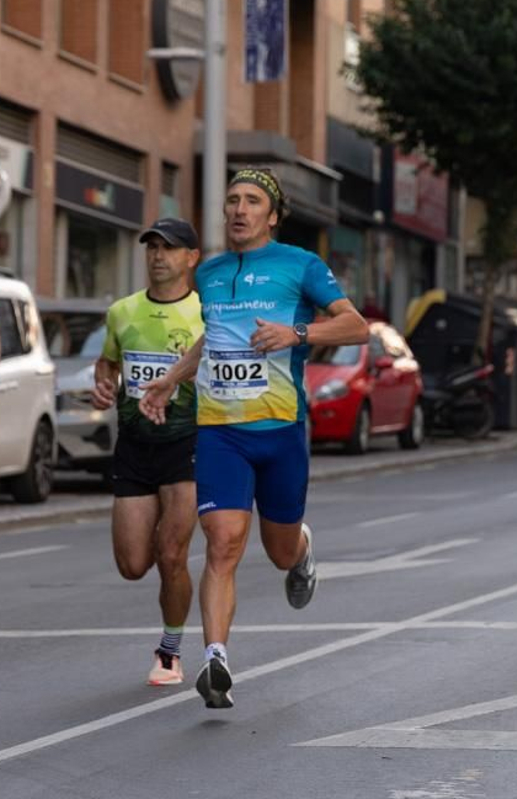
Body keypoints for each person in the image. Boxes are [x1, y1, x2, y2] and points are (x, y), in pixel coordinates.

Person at [138, 168, 368, 709]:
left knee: (279, 549)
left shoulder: (301, 265)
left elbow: (356, 325)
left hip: (281, 429)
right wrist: (172, 378)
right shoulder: (212, 273)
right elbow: (212, 339)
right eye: (232, 201)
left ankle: (303, 550)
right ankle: (215, 659)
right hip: (222, 433)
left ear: (272, 215)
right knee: (222, 543)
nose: (239, 210)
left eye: (252, 201)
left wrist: (298, 333)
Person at [92, 218, 205, 685]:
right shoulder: (122, 312)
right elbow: (108, 363)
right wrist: (103, 383)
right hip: (135, 446)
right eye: (152, 247)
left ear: (191, 258)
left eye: (170, 248)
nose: (159, 256)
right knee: (134, 564)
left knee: (172, 554)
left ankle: (170, 650)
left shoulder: (206, 312)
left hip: (188, 445)